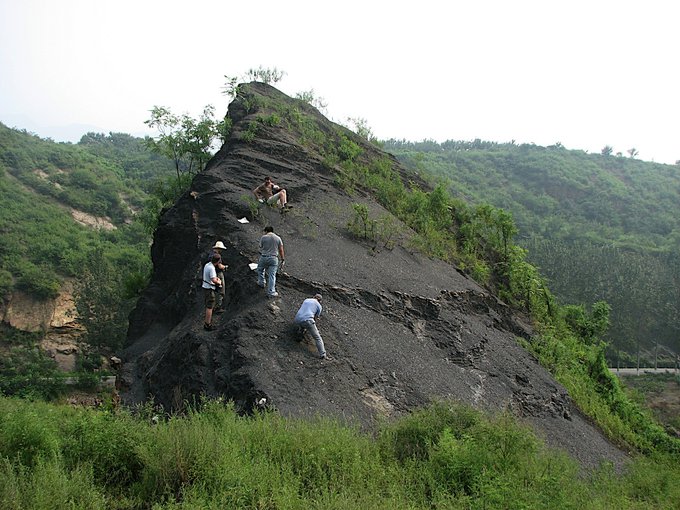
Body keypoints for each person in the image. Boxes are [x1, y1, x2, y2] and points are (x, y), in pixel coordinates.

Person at [294, 294, 329, 360]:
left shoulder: (306, 300)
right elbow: (315, 317)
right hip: (308, 319)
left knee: (302, 325)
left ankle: (299, 336)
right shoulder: (319, 305)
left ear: (314, 297)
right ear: (320, 301)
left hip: (297, 319)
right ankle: (323, 354)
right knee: (317, 337)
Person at [256, 226, 284, 297]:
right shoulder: (278, 238)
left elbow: (260, 246)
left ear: (266, 231)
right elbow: (281, 249)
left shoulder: (263, 237)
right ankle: (271, 292)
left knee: (260, 269)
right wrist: (282, 258)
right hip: (273, 258)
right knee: (272, 275)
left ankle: (261, 282)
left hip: (264, 257)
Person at [202, 253, 223, 330]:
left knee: (208, 304)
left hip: (205, 287)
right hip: (209, 289)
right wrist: (219, 282)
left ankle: (208, 322)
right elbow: (213, 280)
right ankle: (207, 324)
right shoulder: (212, 268)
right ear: (217, 261)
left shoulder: (207, 265)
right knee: (209, 307)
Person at [211, 241, 228, 312]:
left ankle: (214, 305)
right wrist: (225, 267)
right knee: (221, 290)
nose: (221, 250)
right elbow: (219, 266)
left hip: (213, 274)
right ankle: (218, 307)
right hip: (218, 273)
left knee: (215, 290)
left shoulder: (211, 254)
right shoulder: (217, 256)